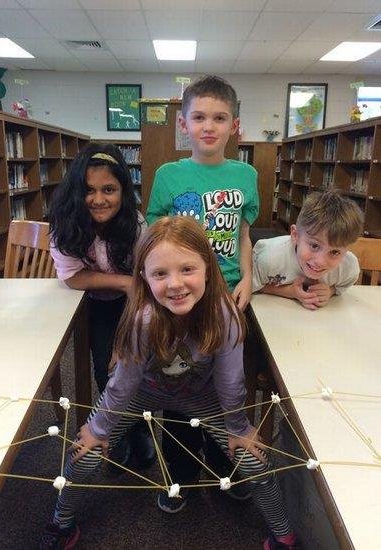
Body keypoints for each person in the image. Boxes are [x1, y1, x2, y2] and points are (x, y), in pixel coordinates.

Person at [40, 216, 298, 550]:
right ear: (144, 277)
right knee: (84, 453)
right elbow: (123, 383)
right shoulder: (142, 319)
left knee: (254, 458)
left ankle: (285, 537)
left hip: (202, 397)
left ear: (207, 266)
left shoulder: (225, 314)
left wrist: (237, 426)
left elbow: (232, 382)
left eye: (187, 269)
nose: (175, 284)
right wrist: (99, 428)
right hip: (143, 393)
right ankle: (61, 523)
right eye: (160, 273)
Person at [146, 74, 259, 507]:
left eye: (219, 117)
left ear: (234, 125)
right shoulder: (169, 175)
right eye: (198, 117)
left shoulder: (246, 173)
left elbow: (244, 232)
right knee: (175, 382)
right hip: (179, 298)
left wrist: (247, 277)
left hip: (227, 295)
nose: (208, 126)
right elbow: (156, 235)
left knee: (226, 385)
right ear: (183, 123)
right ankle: (178, 475)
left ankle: (224, 469)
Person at [49, 142, 155, 470]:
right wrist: (122, 281)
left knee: (135, 363)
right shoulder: (66, 224)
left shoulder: (135, 226)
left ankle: (139, 429)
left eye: (109, 189)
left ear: (124, 190)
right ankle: (116, 431)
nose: (98, 199)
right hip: (94, 300)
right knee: (104, 368)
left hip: (138, 300)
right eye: (89, 190)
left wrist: (127, 334)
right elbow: (71, 276)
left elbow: (145, 283)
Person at [252, 190, 363, 309]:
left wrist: (330, 291)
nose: (320, 261)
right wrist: (289, 292)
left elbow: (345, 283)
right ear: (295, 235)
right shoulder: (267, 258)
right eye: (314, 246)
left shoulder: (348, 266)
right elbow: (252, 286)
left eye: (335, 252)